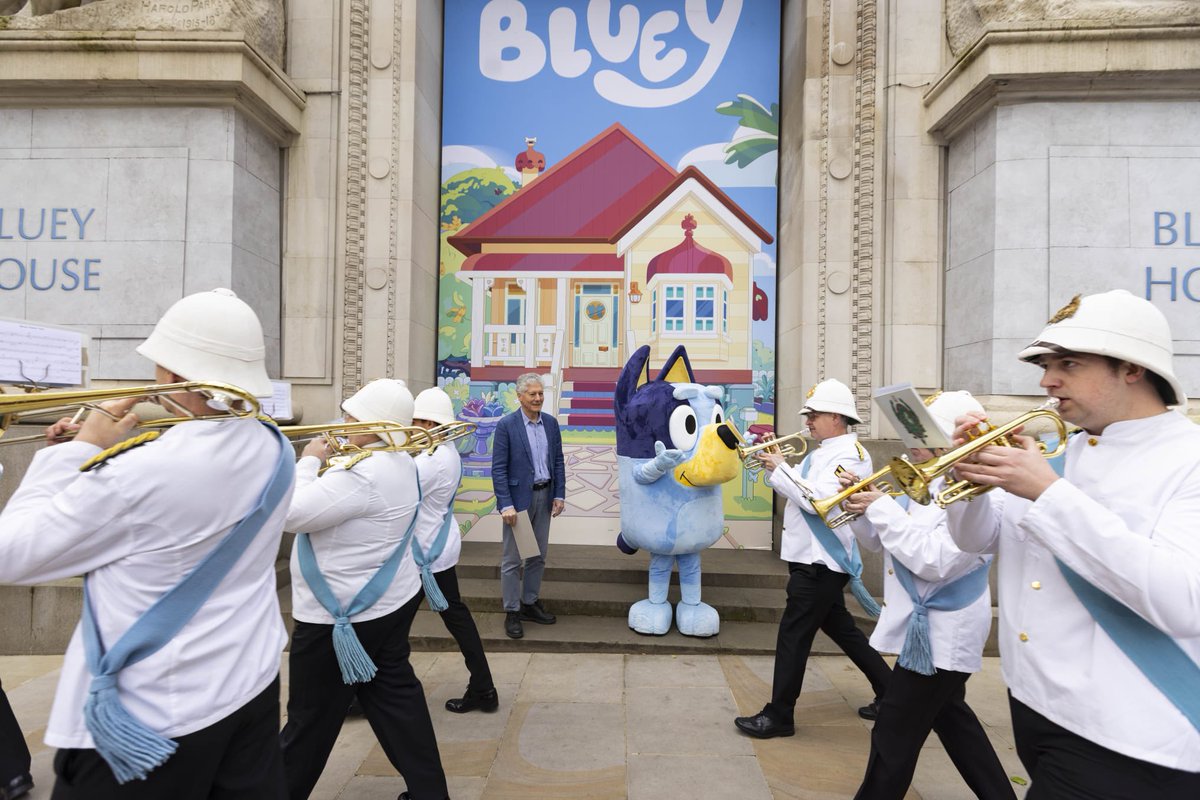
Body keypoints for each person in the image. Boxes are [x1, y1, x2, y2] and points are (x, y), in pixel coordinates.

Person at [0, 288, 295, 798]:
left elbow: (11, 554)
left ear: (177, 375)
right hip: (246, 686)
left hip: (148, 715)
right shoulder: (273, 447)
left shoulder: (138, 472)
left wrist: (77, 454)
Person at [945, 290, 1200, 798]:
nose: (1046, 380)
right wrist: (967, 488)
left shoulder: (1187, 458)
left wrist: (1047, 492)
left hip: (1132, 734)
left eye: (1068, 364)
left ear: (1130, 367)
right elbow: (977, 542)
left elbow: (1183, 601)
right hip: (1036, 706)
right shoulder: (1061, 450)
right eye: (1045, 364)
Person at [840, 391, 1015, 800]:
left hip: (943, 633)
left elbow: (934, 561)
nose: (911, 446)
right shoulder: (930, 482)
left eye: (922, 437)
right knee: (956, 724)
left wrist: (882, 508)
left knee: (892, 734)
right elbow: (887, 547)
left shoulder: (983, 492)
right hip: (926, 630)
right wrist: (862, 511)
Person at [279, 379, 449, 800]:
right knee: (397, 703)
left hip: (340, 620)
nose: (343, 422)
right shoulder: (401, 461)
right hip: (386, 606)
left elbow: (292, 514)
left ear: (376, 423)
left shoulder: (361, 474)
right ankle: (430, 792)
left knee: (308, 721)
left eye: (352, 416)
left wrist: (307, 461)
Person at [734, 379, 891, 739]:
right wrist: (774, 467)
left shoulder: (849, 456)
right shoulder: (824, 451)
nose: (808, 421)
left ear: (836, 417)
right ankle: (891, 690)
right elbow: (800, 492)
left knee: (793, 635)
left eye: (815, 414)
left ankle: (780, 714)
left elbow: (816, 502)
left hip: (820, 562)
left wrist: (783, 468)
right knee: (843, 630)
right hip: (813, 559)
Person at [410, 387, 498, 713]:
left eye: (417, 420)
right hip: (434, 549)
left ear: (431, 423)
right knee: (456, 619)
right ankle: (484, 688)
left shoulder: (431, 460)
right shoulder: (441, 451)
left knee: (392, 628)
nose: (411, 426)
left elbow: (394, 490)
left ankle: (484, 688)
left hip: (425, 554)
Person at [490, 373, 566, 640]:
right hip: (518, 503)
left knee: (538, 556)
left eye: (540, 394)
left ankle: (530, 603)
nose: (537, 398)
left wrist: (559, 495)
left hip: (544, 498)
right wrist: (505, 504)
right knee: (513, 560)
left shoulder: (551, 423)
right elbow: (498, 469)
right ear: (519, 396)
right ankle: (512, 611)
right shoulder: (507, 425)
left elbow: (557, 461)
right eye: (532, 394)